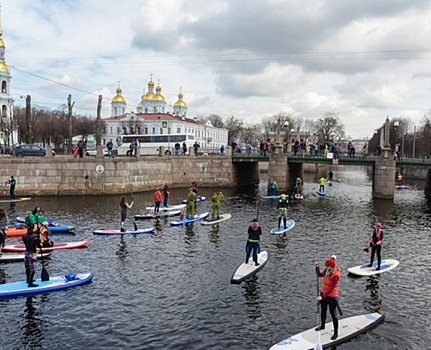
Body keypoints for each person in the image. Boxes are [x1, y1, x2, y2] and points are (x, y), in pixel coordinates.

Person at [315, 255, 341, 341]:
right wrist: (317, 267)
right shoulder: (327, 271)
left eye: (327, 266)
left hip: (332, 297)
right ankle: (322, 326)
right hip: (324, 294)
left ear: (332, 266)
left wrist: (322, 297)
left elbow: (331, 289)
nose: (326, 267)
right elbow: (319, 274)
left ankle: (336, 333)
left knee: (333, 315)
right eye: (326, 266)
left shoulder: (335, 276)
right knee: (323, 310)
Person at [22, 223, 41, 287]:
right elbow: (38, 245)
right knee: (33, 268)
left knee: (27, 267)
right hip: (33, 253)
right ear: (33, 228)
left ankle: (28, 280)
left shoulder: (24, 236)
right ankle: (30, 283)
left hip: (26, 252)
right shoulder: (35, 236)